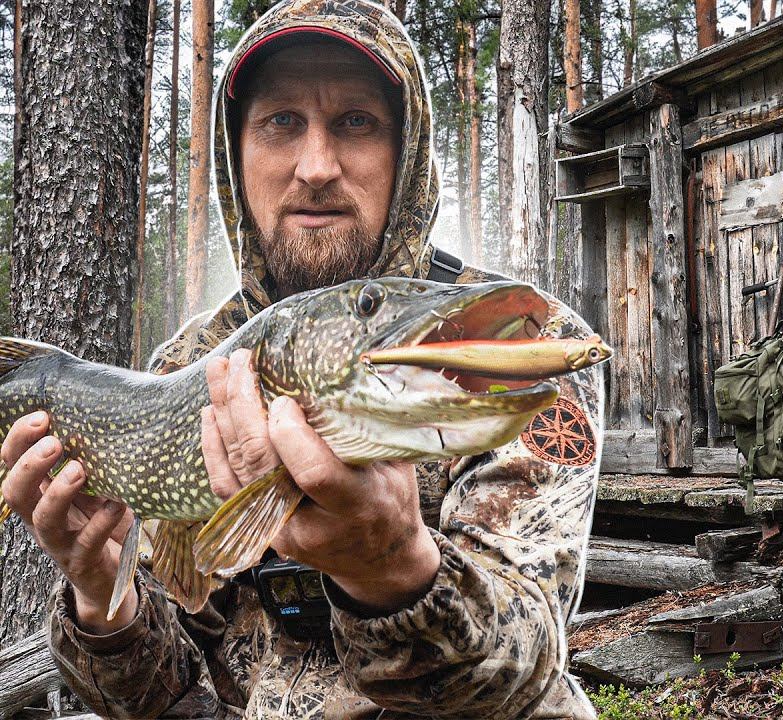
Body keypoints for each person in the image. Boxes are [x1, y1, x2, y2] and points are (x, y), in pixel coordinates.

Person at [0, 1, 603, 718]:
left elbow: (525, 666)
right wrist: (107, 599)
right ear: (238, 153)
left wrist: (397, 570)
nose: (316, 168)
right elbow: (163, 694)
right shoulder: (185, 364)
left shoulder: (503, 347)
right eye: (282, 122)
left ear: (405, 153)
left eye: (356, 123)